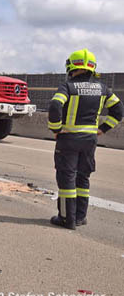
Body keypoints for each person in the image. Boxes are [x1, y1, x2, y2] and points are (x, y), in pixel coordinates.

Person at [48, 49, 122, 229]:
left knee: (67, 179)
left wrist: (56, 129)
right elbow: (119, 111)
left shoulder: (68, 86)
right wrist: (102, 129)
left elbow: (55, 105)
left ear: (72, 66)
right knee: (83, 179)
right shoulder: (103, 88)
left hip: (69, 139)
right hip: (89, 141)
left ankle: (66, 219)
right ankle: (80, 217)